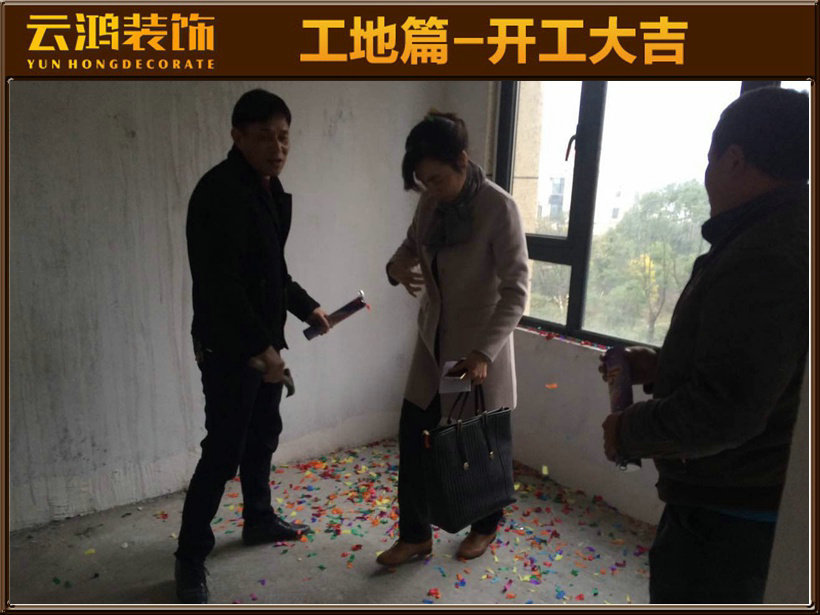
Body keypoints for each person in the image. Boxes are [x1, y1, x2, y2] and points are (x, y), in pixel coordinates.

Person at [599, 86, 809, 603]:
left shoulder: (765, 254)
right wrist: (664, 367)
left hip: (729, 520)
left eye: (711, 161)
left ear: (734, 159)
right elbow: (757, 367)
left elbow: (727, 411)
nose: (707, 176)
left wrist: (627, 430)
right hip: (738, 503)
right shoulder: (774, 234)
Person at [175, 89, 332, 603]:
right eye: (265, 137)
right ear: (237, 136)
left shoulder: (269, 188)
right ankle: (190, 558)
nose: (277, 147)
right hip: (228, 345)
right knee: (223, 451)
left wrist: (307, 307)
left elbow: (272, 272)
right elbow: (220, 285)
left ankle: (259, 519)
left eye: (284, 137)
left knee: (263, 435)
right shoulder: (218, 193)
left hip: (266, 343)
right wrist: (259, 349)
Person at [378, 111, 529, 567]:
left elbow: (517, 290)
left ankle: (485, 525)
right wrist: (394, 267)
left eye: (438, 179)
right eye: (424, 182)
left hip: (474, 350)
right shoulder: (430, 205)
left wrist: (484, 352)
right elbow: (410, 246)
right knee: (414, 435)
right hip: (432, 344)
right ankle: (415, 536)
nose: (432, 189)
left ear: (462, 160)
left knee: (476, 442)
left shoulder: (498, 208)